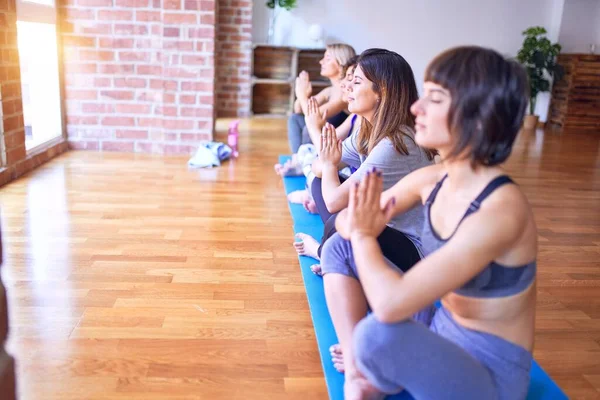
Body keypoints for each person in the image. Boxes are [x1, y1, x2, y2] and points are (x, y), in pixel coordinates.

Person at [333, 46, 535, 400]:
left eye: (435, 98)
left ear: (477, 118)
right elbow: (347, 220)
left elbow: (390, 303)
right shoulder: (432, 178)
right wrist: (359, 229)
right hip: (441, 334)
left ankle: (371, 377)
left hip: (491, 376)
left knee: (373, 334)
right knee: (341, 248)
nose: (416, 108)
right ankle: (375, 373)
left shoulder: (501, 210)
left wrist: (365, 235)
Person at [294, 49, 435, 277]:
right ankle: (338, 257)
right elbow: (319, 164)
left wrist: (330, 165)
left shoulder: (395, 143)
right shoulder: (365, 128)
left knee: (339, 221)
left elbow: (333, 201)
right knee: (320, 185)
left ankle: (326, 253)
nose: (347, 87)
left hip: (412, 250)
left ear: (382, 91)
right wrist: (328, 165)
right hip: (380, 225)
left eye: (356, 82)